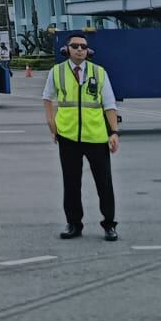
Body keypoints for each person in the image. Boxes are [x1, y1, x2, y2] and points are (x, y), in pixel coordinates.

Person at [43, 35, 119, 241]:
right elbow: (47, 98)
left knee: (104, 183)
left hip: (96, 137)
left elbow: (109, 104)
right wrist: (52, 125)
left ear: (88, 51)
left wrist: (113, 132)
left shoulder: (99, 72)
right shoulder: (57, 72)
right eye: (74, 46)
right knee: (71, 183)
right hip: (68, 137)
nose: (79, 49)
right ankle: (74, 224)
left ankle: (109, 224)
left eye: (83, 47)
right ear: (66, 49)